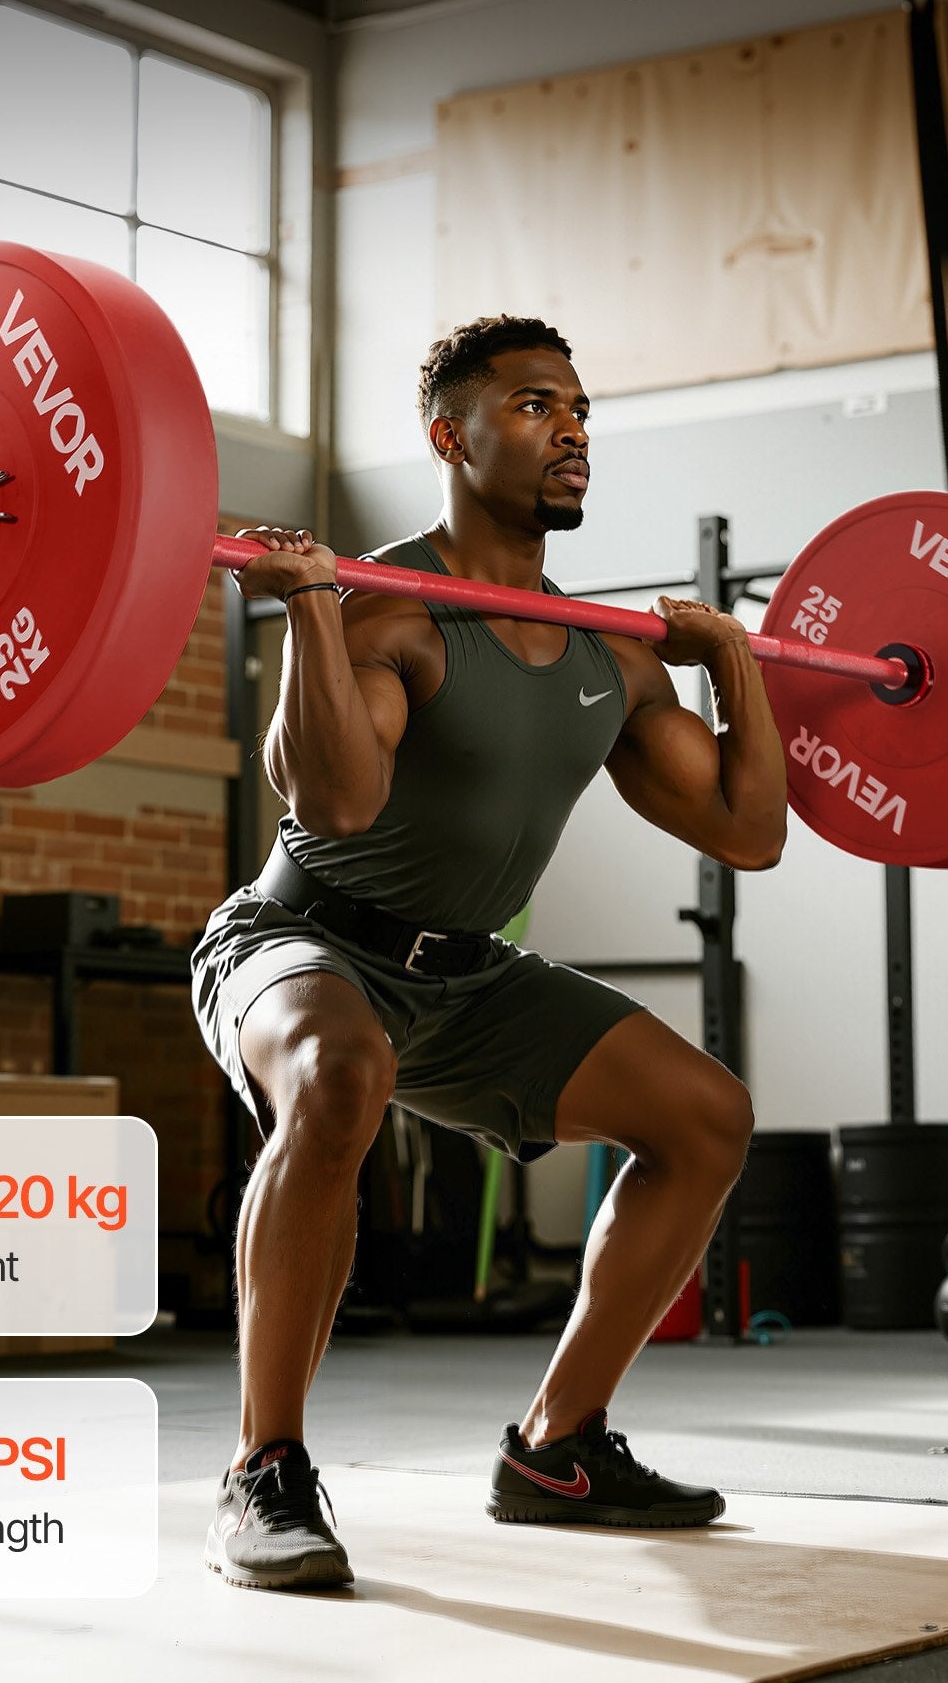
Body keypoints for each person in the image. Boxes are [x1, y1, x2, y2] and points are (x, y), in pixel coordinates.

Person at [192, 314, 788, 1590]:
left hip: (464, 975)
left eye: (577, 408)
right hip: (302, 942)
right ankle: (265, 1468)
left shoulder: (611, 655)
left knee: (706, 1117)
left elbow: (747, 831)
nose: (568, 428)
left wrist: (734, 661)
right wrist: (310, 607)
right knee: (340, 1073)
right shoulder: (394, 612)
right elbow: (335, 801)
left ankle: (556, 1448)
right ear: (445, 436)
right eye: (529, 405)